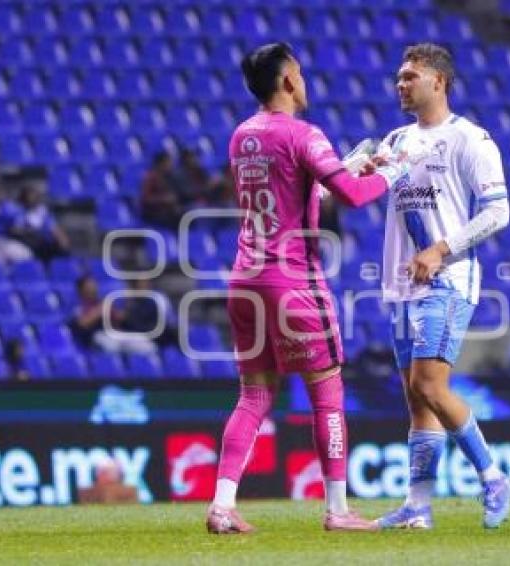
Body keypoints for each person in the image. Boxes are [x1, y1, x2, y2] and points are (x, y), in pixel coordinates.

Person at [206, 42, 408, 534]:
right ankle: (337, 510)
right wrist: (393, 171)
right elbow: (354, 197)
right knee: (327, 389)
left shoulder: (241, 135)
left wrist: (343, 168)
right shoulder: (303, 133)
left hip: (245, 278)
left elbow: (288, 193)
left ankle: (222, 506)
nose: (304, 80)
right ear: (288, 80)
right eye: (299, 72)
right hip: (292, 278)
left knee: (254, 395)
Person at [363, 43, 510, 529]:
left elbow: (498, 212)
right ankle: (418, 507)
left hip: (447, 278)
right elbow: (365, 188)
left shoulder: (471, 139)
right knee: (416, 396)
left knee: (430, 385)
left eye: (410, 76)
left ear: (439, 82)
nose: (400, 84)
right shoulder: (396, 140)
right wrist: (359, 172)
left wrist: (441, 249)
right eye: (398, 77)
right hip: (403, 284)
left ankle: (493, 477)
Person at [12, 185, 70, 261]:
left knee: (61, 247)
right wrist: (29, 231)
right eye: (28, 197)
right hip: (27, 243)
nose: (31, 199)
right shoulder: (18, 211)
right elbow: (16, 230)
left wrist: (61, 239)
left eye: (33, 196)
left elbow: (53, 228)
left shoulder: (43, 211)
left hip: (44, 243)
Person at [139, 151, 182, 229]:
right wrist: (163, 199)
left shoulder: (168, 177)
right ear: (161, 164)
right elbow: (146, 199)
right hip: (153, 214)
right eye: (169, 162)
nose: (171, 165)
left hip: (167, 211)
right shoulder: (150, 178)